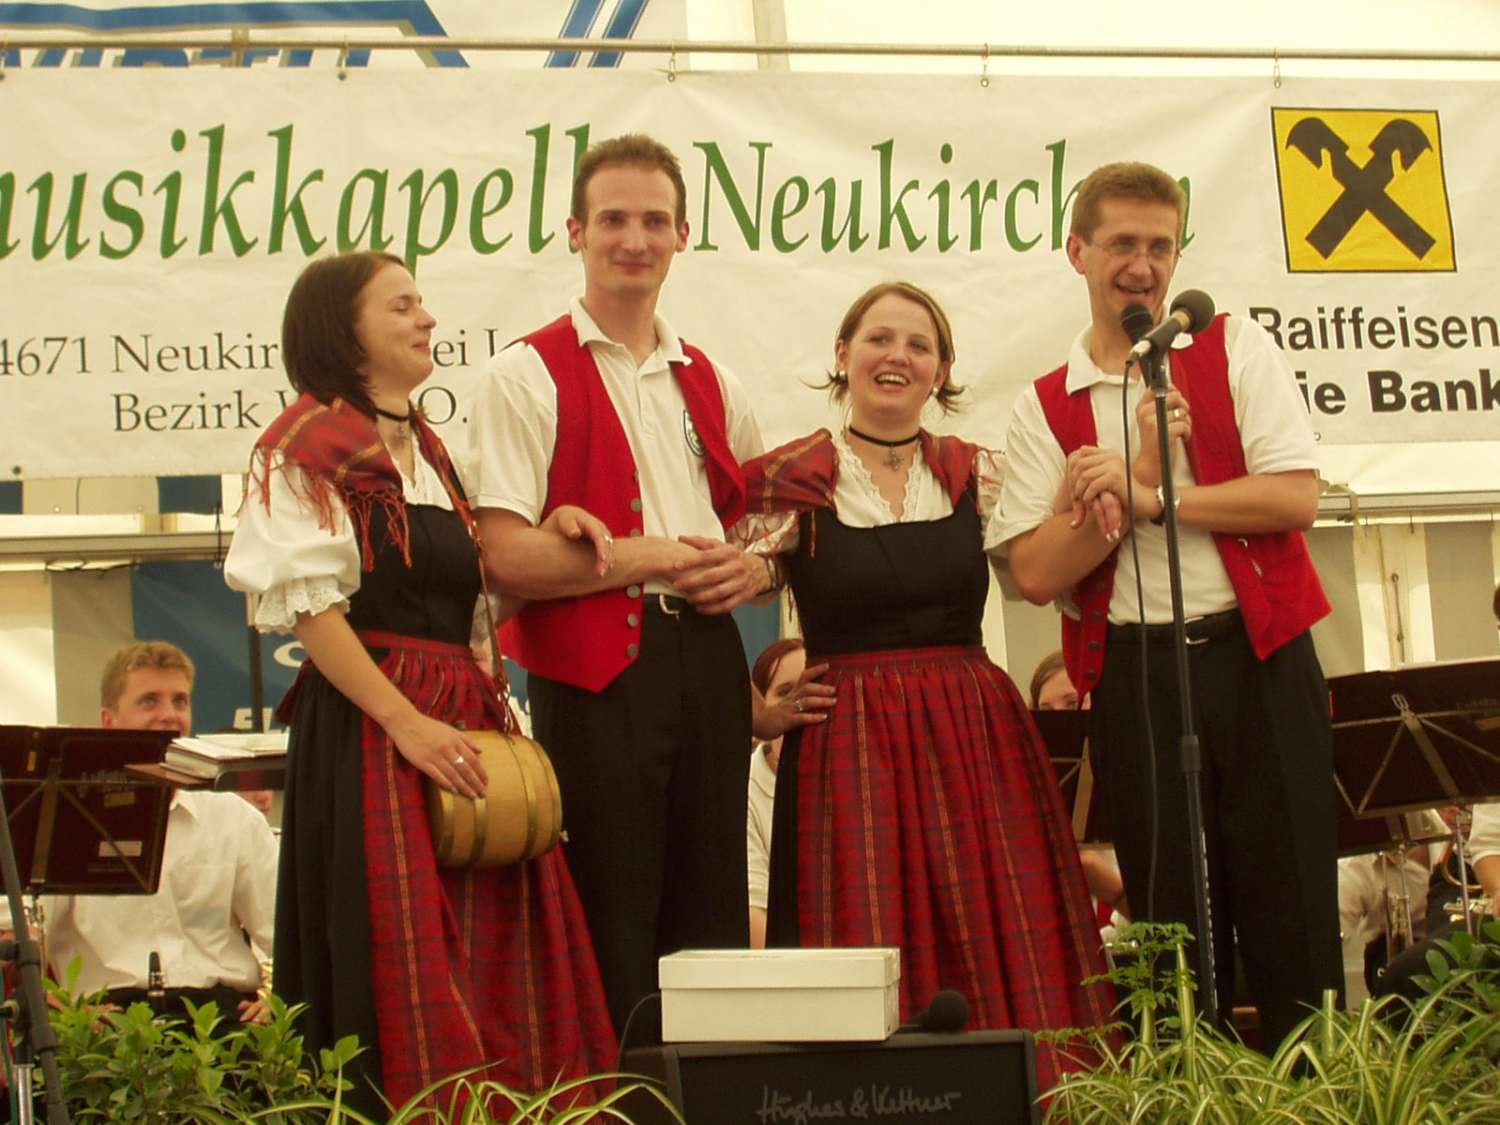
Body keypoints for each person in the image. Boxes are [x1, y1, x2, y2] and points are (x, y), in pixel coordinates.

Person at [224, 252, 614, 1114]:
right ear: (344, 330)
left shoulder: (433, 451)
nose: (426, 318)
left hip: (457, 715)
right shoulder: (308, 445)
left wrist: (551, 533)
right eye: (401, 305)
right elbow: (313, 610)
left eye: (422, 302)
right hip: (378, 725)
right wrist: (405, 724)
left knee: (496, 951)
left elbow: (465, 603)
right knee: (401, 949)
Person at [994, 160, 1341, 1048]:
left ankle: (1319, 1092)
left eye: (1160, 244)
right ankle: (1188, 1091)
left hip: (1259, 655)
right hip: (1138, 670)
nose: (1143, 265)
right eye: (1122, 243)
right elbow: (1033, 573)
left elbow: (1295, 498)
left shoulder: (1233, 347)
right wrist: (1134, 476)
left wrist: (1150, 500)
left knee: (1294, 899)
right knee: (1168, 918)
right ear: (1078, 251)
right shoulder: (1046, 404)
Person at [736, 280, 1113, 1090]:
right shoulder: (793, 481)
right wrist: (754, 712)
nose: (897, 356)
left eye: (918, 344)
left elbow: (1047, 571)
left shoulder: (981, 476)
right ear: (843, 356)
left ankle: (1035, 1097)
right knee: (865, 936)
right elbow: (704, 600)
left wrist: (1115, 483)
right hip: (850, 745)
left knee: (995, 930)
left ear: (943, 369)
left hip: (971, 735)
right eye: (879, 338)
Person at [467, 134, 776, 1034]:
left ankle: (714, 1093)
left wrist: (754, 563)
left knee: (712, 905)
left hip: (708, 659)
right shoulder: (524, 371)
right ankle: (623, 1095)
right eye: (613, 219)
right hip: (600, 674)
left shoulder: (711, 377)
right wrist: (648, 556)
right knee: (614, 907)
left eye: (653, 220)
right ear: (576, 231)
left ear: (683, 235)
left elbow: (768, 517)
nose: (633, 238)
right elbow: (501, 556)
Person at [40, 642, 276, 1027]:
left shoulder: (232, 816)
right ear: (108, 720)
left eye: (180, 701)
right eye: (149, 701)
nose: (169, 715)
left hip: (220, 1022)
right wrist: (62, 1013)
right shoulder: (67, 822)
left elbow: (287, 930)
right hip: (109, 1025)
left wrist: (277, 997)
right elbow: (26, 938)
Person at [746, 638, 815, 950]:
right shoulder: (743, 787)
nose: (800, 705)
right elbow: (753, 919)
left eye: (813, 690)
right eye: (786, 693)